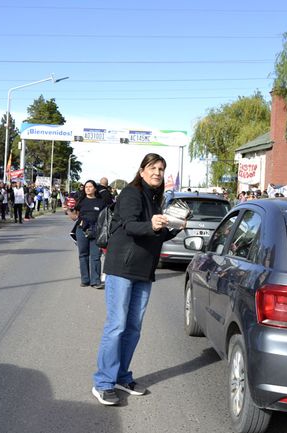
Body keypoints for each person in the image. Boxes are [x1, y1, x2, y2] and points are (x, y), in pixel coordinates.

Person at [91, 153, 184, 406]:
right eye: (152, 168)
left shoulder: (155, 199)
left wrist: (174, 227)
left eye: (161, 169)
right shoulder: (132, 193)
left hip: (144, 271)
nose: (157, 172)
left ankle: (122, 376)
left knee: (133, 328)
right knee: (117, 326)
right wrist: (152, 225)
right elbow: (131, 226)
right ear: (142, 171)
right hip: (122, 268)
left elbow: (155, 234)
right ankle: (103, 382)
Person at [70, 180, 106, 289]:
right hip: (81, 230)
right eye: (86, 187)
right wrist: (67, 210)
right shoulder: (80, 201)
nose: (88, 189)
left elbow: (105, 218)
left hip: (96, 232)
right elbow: (74, 217)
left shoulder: (101, 202)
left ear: (95, 189)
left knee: (95, 256)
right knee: (83, 255)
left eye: (90, 187)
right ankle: (85, 280)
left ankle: (95, 281)